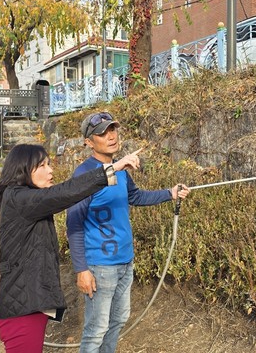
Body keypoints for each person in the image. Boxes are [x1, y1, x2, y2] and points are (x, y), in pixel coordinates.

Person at [0, 143, 142, 353]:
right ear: (22, 169)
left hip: (28, 305)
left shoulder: (23, 199)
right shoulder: (19, 199)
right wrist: (113, 168)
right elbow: (64, 193)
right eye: (42, 165)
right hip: (22, 311)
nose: (50, 170)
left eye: (49, 164)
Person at [66, 112, 190, 353]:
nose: (111, 136)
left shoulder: (121, 170)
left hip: (125, 261)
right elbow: (74, 224)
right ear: (89, 142)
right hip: (100, 265)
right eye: (103, 133)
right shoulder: (84, 175)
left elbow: (135, 196)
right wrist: (81, 269)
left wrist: (170, 193)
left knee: (118, 320)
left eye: (113, 129)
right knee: (96, 330)